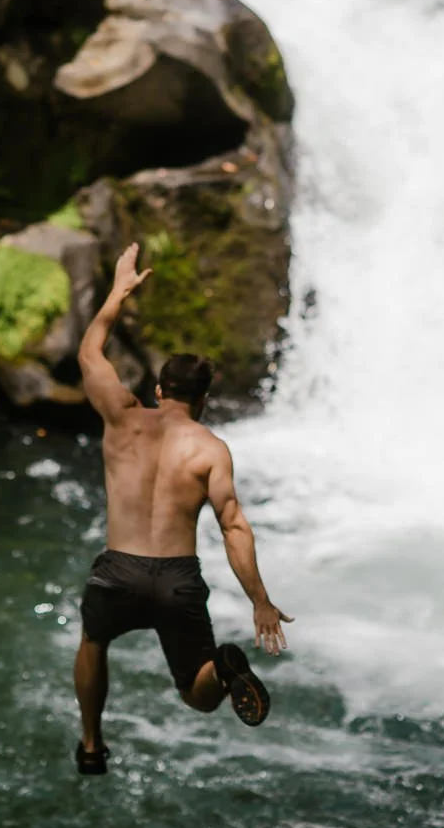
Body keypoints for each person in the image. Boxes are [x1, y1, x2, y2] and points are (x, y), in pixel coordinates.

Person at [73, 243, 292, 775]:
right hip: (176, 580)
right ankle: (222, 667)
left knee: (94, 641)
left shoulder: (122, 417)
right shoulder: (210, 449)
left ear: (157, 389)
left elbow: (89, 353)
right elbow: (234, 525)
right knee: (198, 695)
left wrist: (118, 293)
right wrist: (260, 601)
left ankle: (92, 745)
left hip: (118, 569)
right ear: (204, 398)